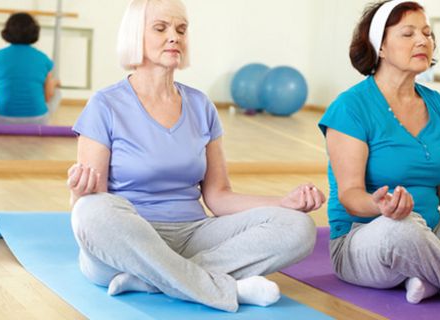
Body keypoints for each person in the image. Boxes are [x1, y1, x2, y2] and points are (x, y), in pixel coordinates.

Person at [67, 0, 325, 313]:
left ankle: (156, 280)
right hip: (129, 239)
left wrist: (282, 203)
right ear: (135, 36)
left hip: (193, 234)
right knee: (92, 212)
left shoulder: (201, 106)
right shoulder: (105, 105)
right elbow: (92, 203)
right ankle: (222, 287)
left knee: (297, 227)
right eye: (161, 28)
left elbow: (218, 197)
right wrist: (78, 195)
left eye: (181, 29)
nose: (174, 36)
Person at [319, 0, 440, 305]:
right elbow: (349, 195)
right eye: (408, 34)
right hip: (367, 239)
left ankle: (431, 277)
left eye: (427, 33)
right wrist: (379, 206)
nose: (424, 40)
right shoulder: (350, 107)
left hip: (433, 233)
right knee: (402, 226)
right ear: (380, 46)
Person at [0, 12, 60, 124]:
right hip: (38, 120)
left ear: (7, 31)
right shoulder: (44, 59)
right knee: (57, 92)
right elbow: (48, 97)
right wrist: (54, 83)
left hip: (1, 119)